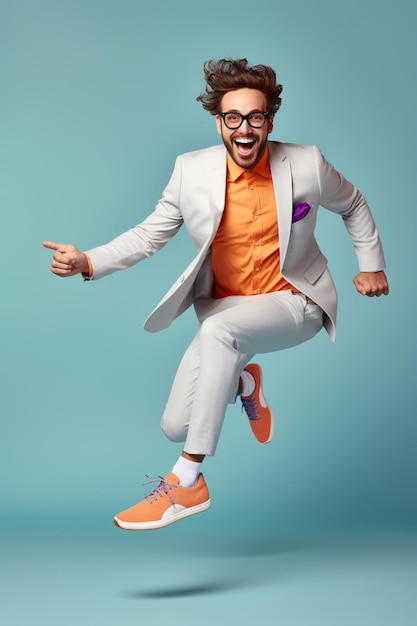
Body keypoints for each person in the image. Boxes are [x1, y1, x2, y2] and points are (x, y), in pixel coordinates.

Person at [43, 58, 389, 531]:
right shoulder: (191, 171)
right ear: (219, 121)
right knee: (175, 425)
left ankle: (186, 481)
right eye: (233, 117)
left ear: (270, 121)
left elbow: (352, 202)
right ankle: (246, 383)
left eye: (255, 117)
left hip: (296, 301)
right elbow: (149, 236)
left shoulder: (305, 162)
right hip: (228, 309)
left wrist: (372, 265)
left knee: (221, 332)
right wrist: (88, 261)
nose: (244, 128)